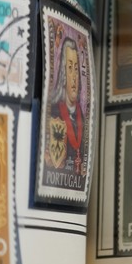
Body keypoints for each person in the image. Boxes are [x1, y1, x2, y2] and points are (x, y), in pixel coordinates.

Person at [49, 37, 85, 173]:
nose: (74, 76)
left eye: (76, 68)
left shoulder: (82, 118)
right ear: (63, 74)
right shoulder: (55, 113)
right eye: (70, 68)